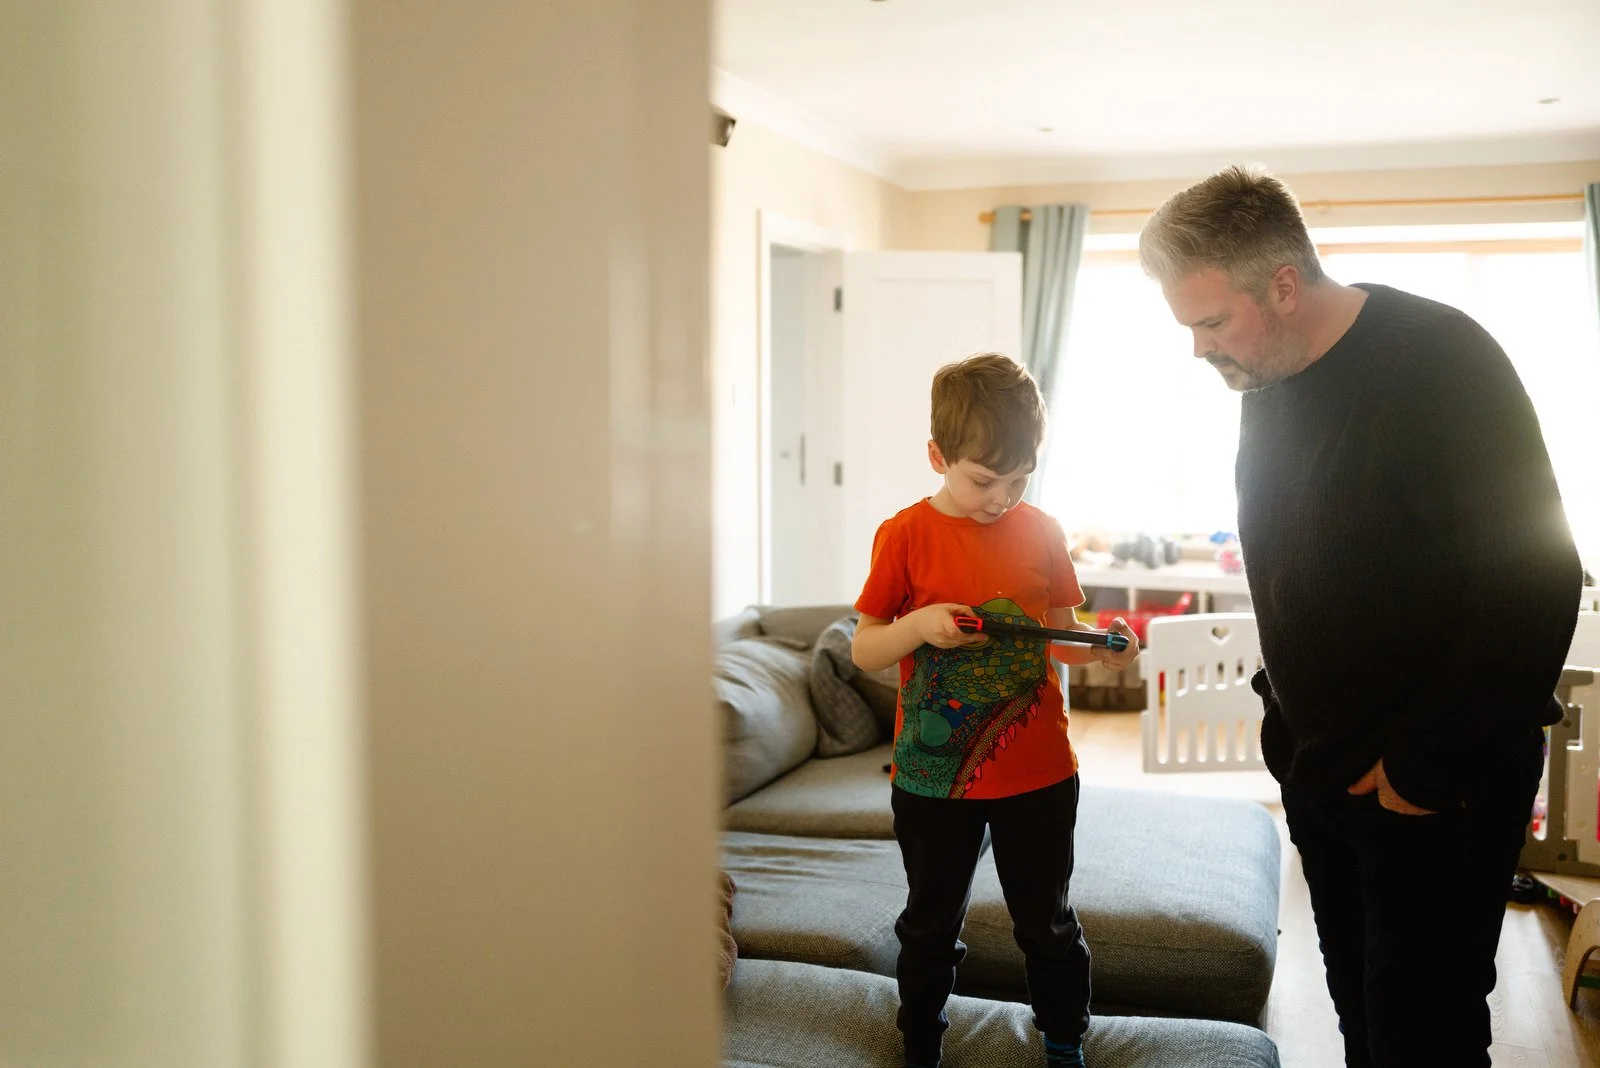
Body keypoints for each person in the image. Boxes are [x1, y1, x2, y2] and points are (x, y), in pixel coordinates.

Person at [1139, 165, 1581, 1066]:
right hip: (1321, 772)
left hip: (1434, 787)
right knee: (1361, 1020)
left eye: (1212, 322)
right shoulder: (1265, 378)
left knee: (1426, 1032)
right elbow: (1300, 553)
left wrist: (1420, 765)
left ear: (1286, 285)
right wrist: (1283, 716)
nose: (1199, 350)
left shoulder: (1441, 360)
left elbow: (1536, 580)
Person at [851, 353, 1139, 1068]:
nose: (1001, 498)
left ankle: (1065, 1044)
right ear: (937, 456)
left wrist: (1099, 652)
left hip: (1040, 774)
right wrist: (919, 626)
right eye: (984, 479)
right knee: (928, 925)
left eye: (1018, 480)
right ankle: (921, 1046)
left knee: (1048, 924)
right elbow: (866, 650)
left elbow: (1063, 638)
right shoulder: (904, 534)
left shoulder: (1042, 530)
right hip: (933, 779)